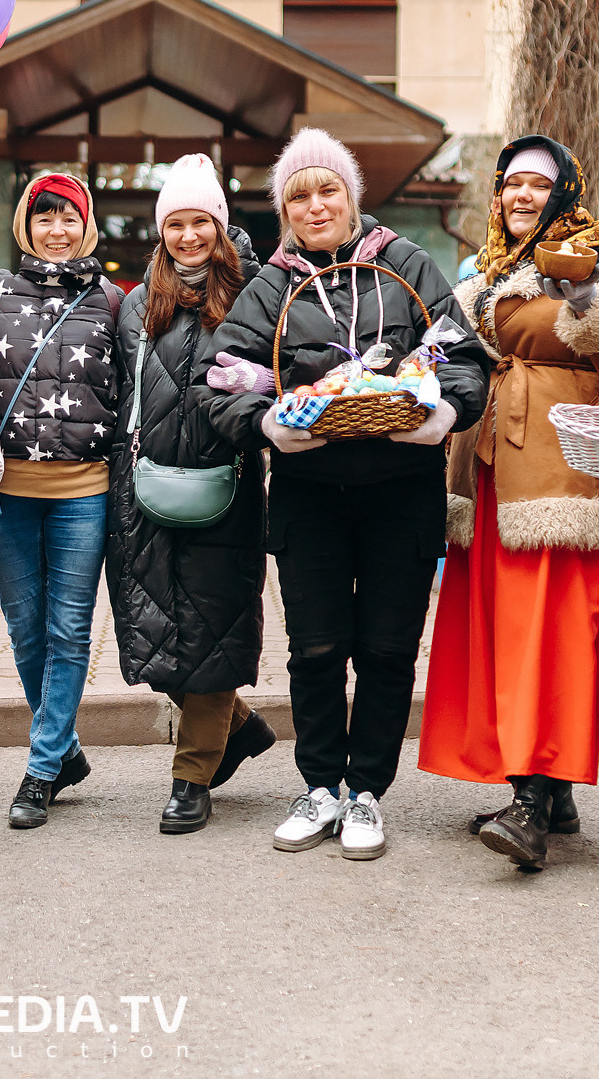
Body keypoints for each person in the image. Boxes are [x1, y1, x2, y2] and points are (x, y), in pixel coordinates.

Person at [200, 128, 491, 861]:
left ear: (352, 196)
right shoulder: (272, 286)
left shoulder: (406, 264)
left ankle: (366, 793)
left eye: (328, 189)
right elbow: (220, 377)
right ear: (285, 210)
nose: (316, 205)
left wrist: (445, 415)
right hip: (310, 495)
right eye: (299, 195)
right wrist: (267, 423)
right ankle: (321, 786)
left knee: (388, 650)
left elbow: (462, 359)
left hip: (402, 491)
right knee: (316, 649)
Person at [417, 135, 599, 870]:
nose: (521, 195)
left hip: (557, 473)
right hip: (488, 469)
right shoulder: (490, 267)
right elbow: (451, 347)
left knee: (551, 630)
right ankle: (550, 791)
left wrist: (572, 298)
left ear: (564, 191)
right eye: (511, 183)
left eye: (538, 185)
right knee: (506, 631)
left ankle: (532, 802)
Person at [0, 171, 120, 829]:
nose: (56, 230)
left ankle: (41, 768)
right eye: (44, 217)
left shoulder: (112, 302)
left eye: (69, 218)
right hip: (6, 493)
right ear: (24, 225)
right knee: (25, 629)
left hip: (83, 492)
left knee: (68, 630)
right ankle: (63, 749)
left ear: (86, 226)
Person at [105, 156, 275, 834]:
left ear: (220, 226)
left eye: (200, 221)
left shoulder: (256, 292)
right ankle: (238, 725)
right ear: (161, 230)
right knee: (151, 631)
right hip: (143, 486)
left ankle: (191, 777)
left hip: (226, 483)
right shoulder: (136, 304)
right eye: (175, 223)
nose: (188, 235)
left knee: (213, 628)